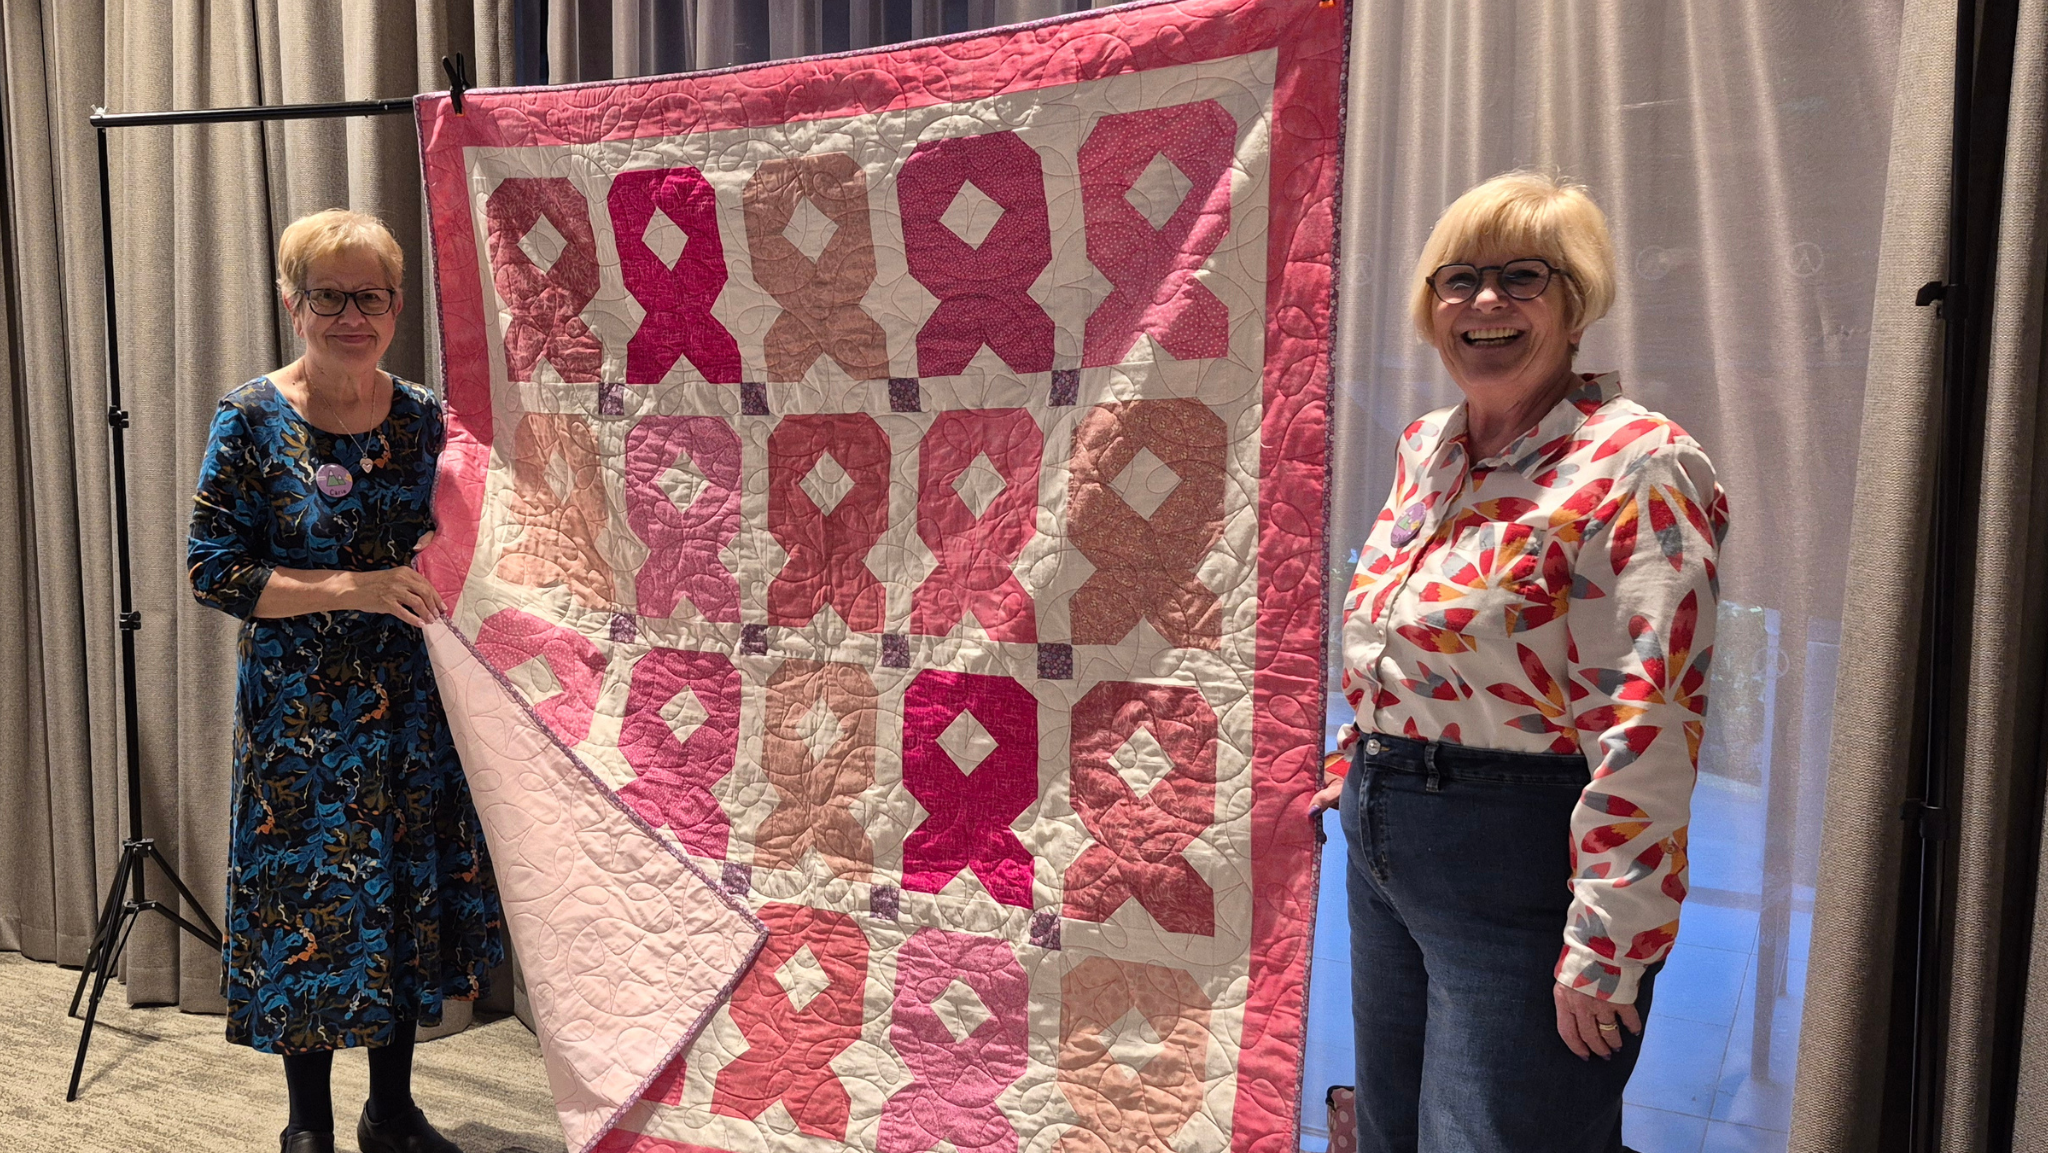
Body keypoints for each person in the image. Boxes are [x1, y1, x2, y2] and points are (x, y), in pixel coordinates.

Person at [1311, 172, 1729, 1152]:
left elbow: (1650, 717)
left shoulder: (1638, 463)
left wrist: (1608, 942)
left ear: (1574, 298)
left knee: (1498, 1135)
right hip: (1389, 836)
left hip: (1519, 853)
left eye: (1520, 276)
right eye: (1458, 278)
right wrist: (1356, 757)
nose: (1483, 301)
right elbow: (1401, 631)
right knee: (1390, 1130)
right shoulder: (1427, 448)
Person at [189, 208, 503, 1153]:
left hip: (408, 710)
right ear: (294, 303)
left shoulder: (425, 419)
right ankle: (309, 1123)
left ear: (396, 306)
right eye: (329, 294)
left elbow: (474, 536)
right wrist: (356, 587)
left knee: (400, 901)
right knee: (308, 908)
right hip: (296, 719)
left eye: (370, 295)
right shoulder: (249, 420)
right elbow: (215, 569)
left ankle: (392, 1109)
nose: (350, 314)